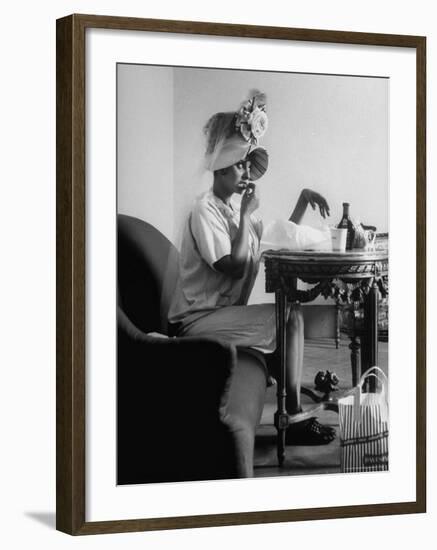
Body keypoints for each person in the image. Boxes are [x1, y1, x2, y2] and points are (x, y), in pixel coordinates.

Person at [168, 91, 335, 444]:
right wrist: (245, 214)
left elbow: (279, 236)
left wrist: (301, 200)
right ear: (221, 166)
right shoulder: (205, 211)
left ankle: (291, 408)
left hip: (222, 314)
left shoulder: (230, 210)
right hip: (197, 321)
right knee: (289, 316)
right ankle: (292, 417)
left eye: (247, 164)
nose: (247, 172)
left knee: (291, 313)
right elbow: (233, 265)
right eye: (241, 164)